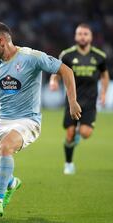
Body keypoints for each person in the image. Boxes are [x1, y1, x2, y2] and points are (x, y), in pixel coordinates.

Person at [0, 21, 81, 217]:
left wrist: (73, 101)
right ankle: (11, 183)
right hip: (3, 120)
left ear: (1, 41)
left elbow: (66, 70)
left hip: (28, 120)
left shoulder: (31, 57)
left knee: (6, 146)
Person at [49, 23, 110, 175]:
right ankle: (68, 164)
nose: (82, 36)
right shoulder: (67, 55)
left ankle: (78, 133)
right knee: (69, 134)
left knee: (85, 133)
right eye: (80, 34)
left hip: (90, 101)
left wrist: (103, 93)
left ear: (91, 37)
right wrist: (53, 81)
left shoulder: (99, 56)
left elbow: (104, 75)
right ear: (75, 36)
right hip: (71, 100)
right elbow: (57, 71)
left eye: (85, 34)